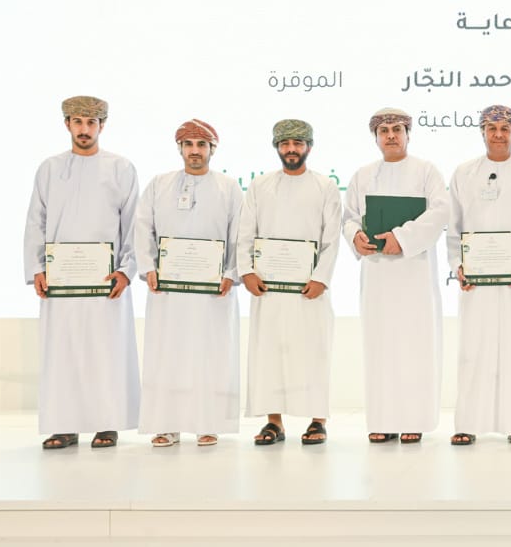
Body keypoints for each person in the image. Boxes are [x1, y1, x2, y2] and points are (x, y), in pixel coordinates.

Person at [24, 96, 140, 450]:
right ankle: (64, 425)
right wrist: (37, 268)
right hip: (61, 283)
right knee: (63, 352)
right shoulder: (49, 169)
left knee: (105, 351)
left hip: (106, 282)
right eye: (78, 122)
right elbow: (36, 221)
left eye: (91, 123)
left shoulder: (121, 168)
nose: (84, 129)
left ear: (102, 125)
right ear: (67, 124)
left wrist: (126, 270)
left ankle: (107, 423)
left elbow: (133, 224)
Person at [342, 108, 449, 444]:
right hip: (377, 276)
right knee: (380, 345)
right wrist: (355, 236)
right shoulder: (362, 175)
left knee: (415, 345)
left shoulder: (426, 171)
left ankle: (414, 419)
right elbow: (349, 217)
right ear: (375, 137)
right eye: (384, 130)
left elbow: (441, 212)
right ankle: (383, 420)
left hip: (414, 274)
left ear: (407, 134)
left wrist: (401, 238)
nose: (390, 136)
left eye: (397, 130)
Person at [135, 119, 242, 447]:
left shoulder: (228, 187)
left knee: (210, 354)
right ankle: (165, 424)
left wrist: (230, 272)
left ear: (212, 149)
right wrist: (148, 267)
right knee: (167, 354)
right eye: (189, 145)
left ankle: (208, 423)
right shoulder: (159, 184)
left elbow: (239, 234)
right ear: (180, 148)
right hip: (168, 291)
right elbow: (143, 227)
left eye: (201, 145)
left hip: (213, 292)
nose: (195, 151)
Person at [447, 105, 511, 445]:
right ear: (482, 132)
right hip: (476, 281)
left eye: (505, 128)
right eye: (491, 128)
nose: (498, 134)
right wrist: (457, 265)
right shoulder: (464, 172)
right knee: (473, 350)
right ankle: (467, 423)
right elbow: (454, 226)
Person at [237, 119, 341, 446]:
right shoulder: (260, 186)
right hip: (268, 288)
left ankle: (317, 420)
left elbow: (331, 238)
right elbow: (246, 232)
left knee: (313, 352)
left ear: (309, 147)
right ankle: (274, 422)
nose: (291, 149)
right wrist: (246, 271)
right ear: (277, 147)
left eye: (298, 143)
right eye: (285, 144)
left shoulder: (325, 186)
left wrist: (321, 277)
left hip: (309, 289)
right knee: (270, 353)